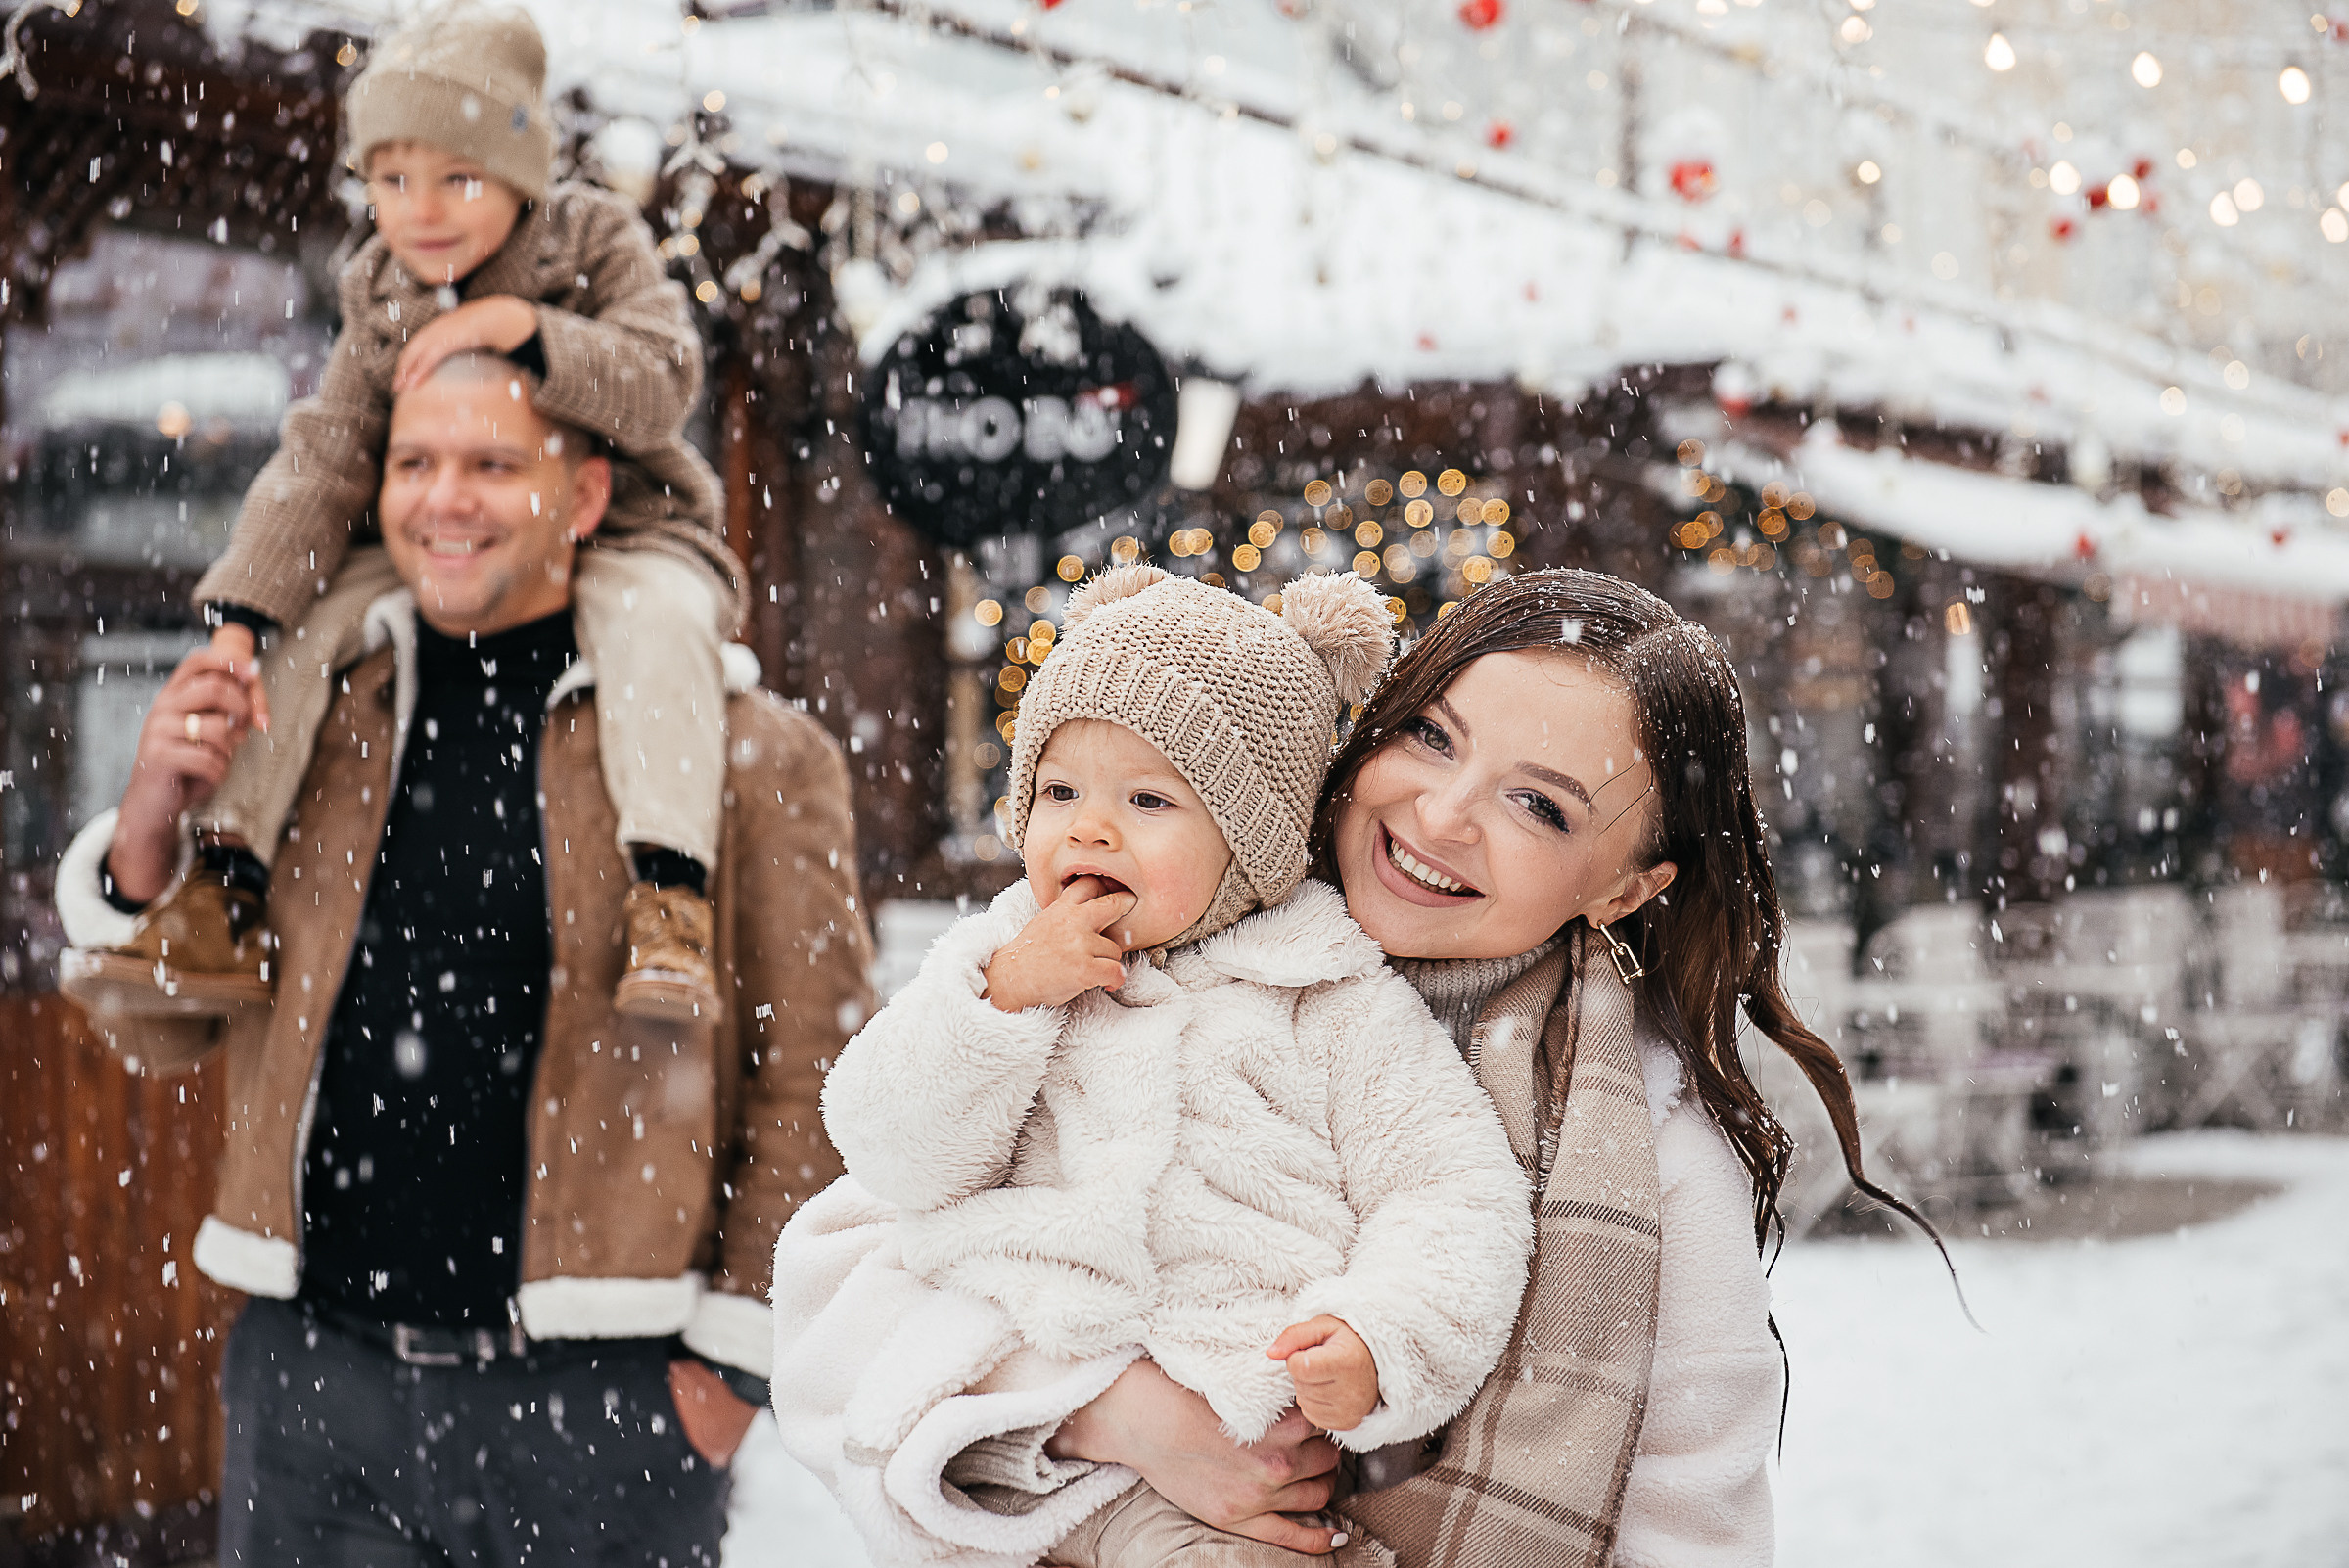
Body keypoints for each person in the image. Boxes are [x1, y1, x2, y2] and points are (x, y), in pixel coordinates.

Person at [775, 568, 1932, 1568]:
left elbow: (1689, 1533)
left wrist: (1377, 1349)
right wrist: (1104, 1415)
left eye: (1538, 804)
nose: (1443, 813)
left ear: (1626, 886)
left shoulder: (1649, 1155)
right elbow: (840, 1304)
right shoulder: (1113, 963)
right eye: (1433, 737)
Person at [51, 350, 872, 1565]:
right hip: (318, 1396)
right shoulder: (310, 723)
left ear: (585, 495)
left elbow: (817, 1078)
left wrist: (725, 1378)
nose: (445, 498)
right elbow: (159, 1031)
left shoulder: (741, 751)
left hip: (604, 1416)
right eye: (415, 463)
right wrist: (149, 824)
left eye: (491, 463)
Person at [796, 566, 1532, 1567]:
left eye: (1148, 799)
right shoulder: (997, 965)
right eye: (1059, 791)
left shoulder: (1330, 997)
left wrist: (1382, 1337)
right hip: (1026, 1422)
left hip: (1244, 1427)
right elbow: (891, 1153)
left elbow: (1451, 1194)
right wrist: (1001, 1003)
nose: (1088, 827)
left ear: (1250, 841)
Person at [61, 0, 743, 1023]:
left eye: (456, 179)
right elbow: (324, 458)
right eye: (390, 180)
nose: (420, 210)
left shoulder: (590, 239)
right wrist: (243, 618)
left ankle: (670, 892)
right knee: (301, 636)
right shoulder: (381, 290)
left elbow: (662, 380)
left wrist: (528, 329)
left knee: (661, 627)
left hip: (630, 522)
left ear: (518, 173)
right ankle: (227, 882)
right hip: (433, 542)